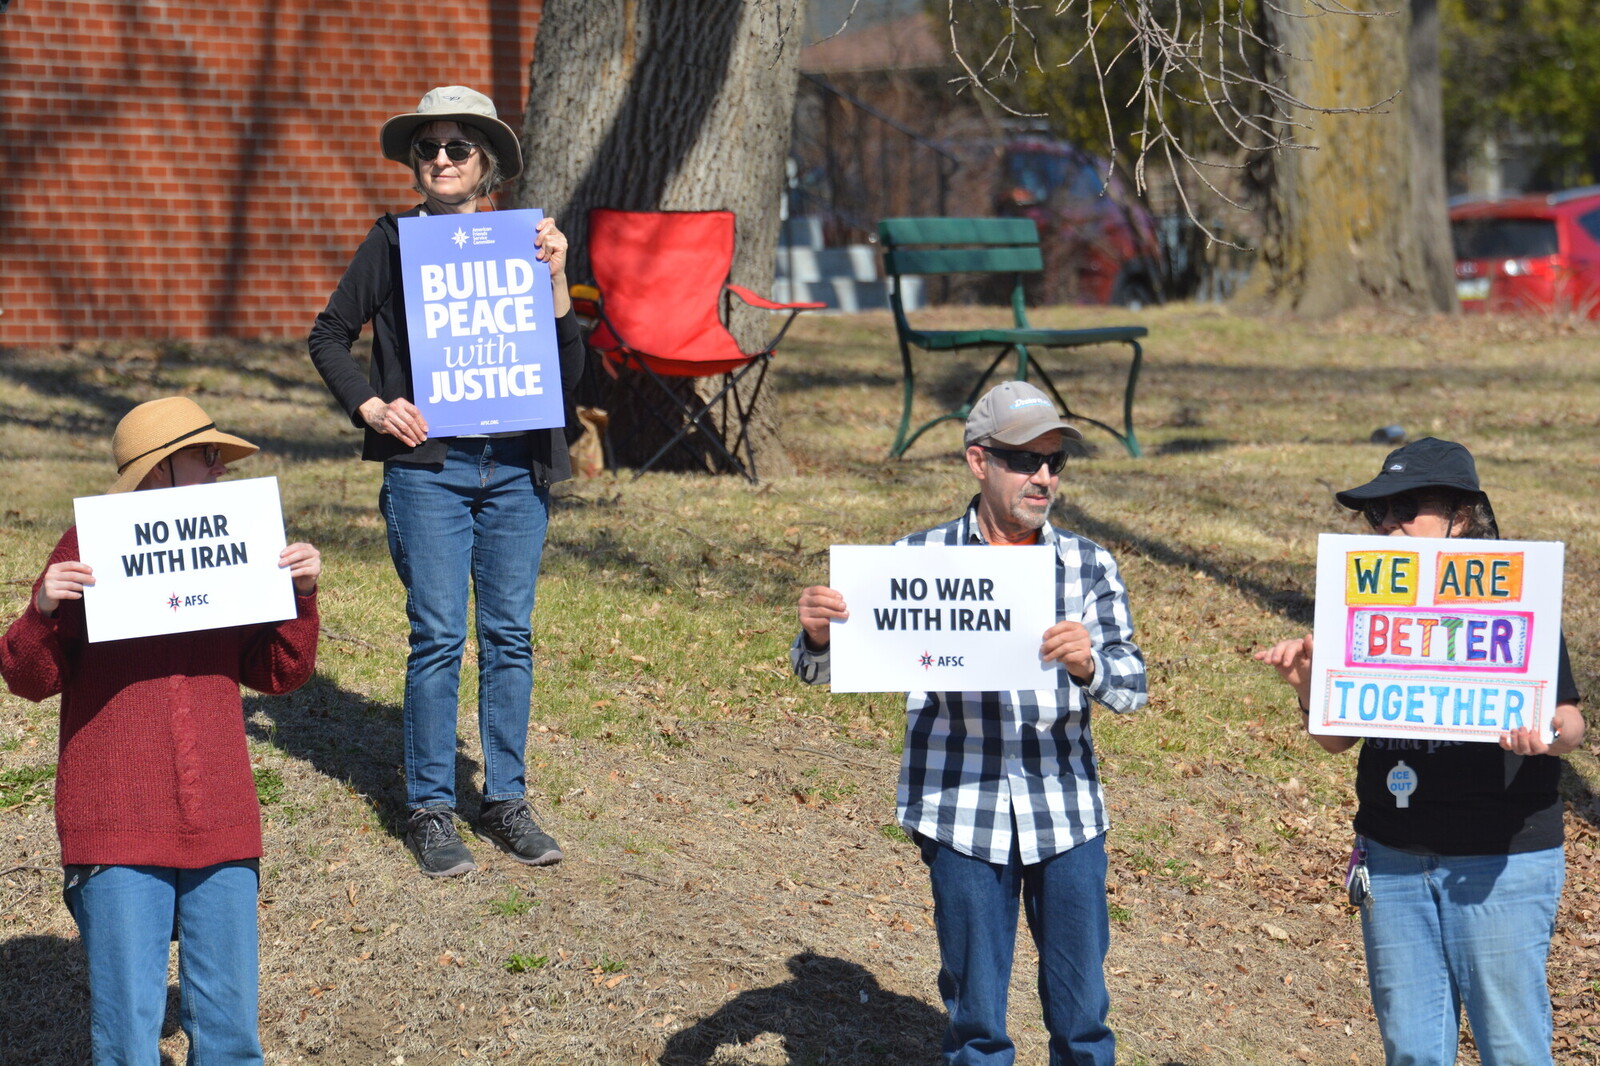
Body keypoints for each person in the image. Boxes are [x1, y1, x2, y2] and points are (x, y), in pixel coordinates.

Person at [792, 381, 1147, 1066]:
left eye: (1055, 462)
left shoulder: (1087, 564)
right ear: (978, 461)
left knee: (1083, 1023)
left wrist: (1089, 665)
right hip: (960, 809)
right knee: (977, 1026)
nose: (1042, 477)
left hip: (1066, 812)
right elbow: (821, 672)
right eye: (1024, 460)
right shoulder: (914, 563)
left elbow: (1132, 688)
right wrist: (817, 638)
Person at [307, 86, 586, 877]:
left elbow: (568, 372)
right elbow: (327, 334)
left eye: (457, 148)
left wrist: (559, 282)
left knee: (509, 635)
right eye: (427, 149)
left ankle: (506, 797)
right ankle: (431, 806)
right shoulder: (394, 241)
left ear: (485, 163)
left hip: (514, 468)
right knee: (438, 636)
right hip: (429, 471)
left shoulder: (527, 242)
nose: (439, 160)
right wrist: (371, 405)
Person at [0, 396, 322, 1065]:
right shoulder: (87, 549)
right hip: (115, 822)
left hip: (222, 819)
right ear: (158, 469)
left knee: (232, 1042)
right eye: (206, 456)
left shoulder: (238, 548)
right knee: (127, 1046)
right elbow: (29, 677)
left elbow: (281, 669)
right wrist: (42, 610)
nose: (218, 468)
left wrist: (302, 594)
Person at [1256, 436, 1585, 1066]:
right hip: (1393, 857)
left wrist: (1545, 735)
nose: (1388, 524)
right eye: (1378, 512)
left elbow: (1569, 723)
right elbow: (1334, 738)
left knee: (1512, 1048)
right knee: (1412, 1051)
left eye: (1407, 508)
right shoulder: (1363, 603)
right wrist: (1306, 689)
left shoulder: (1515, 597)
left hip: (1500, 865)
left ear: (1461, 515)